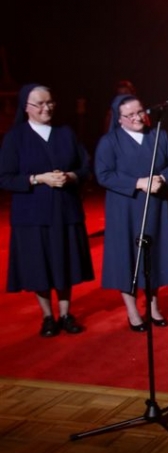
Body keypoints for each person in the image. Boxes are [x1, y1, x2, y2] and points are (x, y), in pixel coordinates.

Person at [0, 84, 94, 337]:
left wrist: (71, 176)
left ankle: (65, 314)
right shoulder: (15, 137)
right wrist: (38, 178)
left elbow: (85, 168)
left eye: (50, 102)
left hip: (65, 211)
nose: (46, 108)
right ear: (26, 107)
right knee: (38, 266)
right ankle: (47, 317)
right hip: (32, 215)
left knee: (65, 262)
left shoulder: (65, 133)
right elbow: (5, 177)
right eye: (40, 104)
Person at [95, 94, 168, 331]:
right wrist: (138, 183)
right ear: (119, 118)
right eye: (130, 115)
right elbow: (103, 175)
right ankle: (133, 312)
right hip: (124, 208)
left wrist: (162, 178)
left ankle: (154, 307)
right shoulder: (110, 141)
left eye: (140, 112)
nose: (137, 118)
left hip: (154, 205)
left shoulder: (158, 135)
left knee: (152, 254)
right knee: (127, 256)